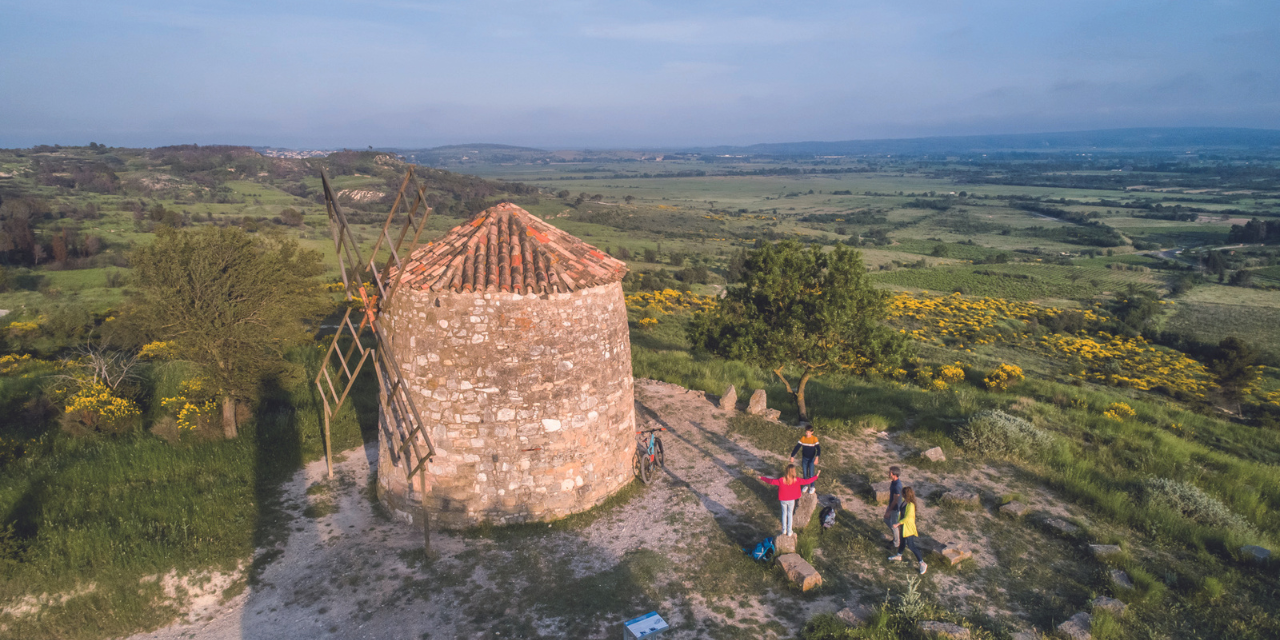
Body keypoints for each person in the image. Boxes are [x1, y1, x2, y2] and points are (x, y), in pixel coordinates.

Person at [759, 464, 820, 536]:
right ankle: (789, 531)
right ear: (794, 472)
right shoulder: (796, 480)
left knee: (784, 514)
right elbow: (807, 481)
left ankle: (784, 530)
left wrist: (762, 478)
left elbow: (771, 481)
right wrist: (816, 476)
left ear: (786, 471)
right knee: (790, 514)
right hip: (791, 500)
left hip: (783, 500)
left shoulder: (781, 480)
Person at [889, 487, 927, 575]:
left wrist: (898, 524)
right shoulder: (904, 502)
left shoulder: (910, 505)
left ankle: (922, 563)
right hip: (904, 527)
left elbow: (908, 517)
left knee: (911, 546)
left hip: (908, 528)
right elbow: (902, 514)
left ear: (905, 494)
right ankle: (899, 555)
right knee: (902, 542)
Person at [789, 425, 821, 494]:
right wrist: (792, 456)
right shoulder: (803, 438)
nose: (807, 434)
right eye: (806, 432)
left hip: (811, 459)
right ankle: (806, 485)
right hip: (804, 458)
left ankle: (812, 486)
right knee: (805, 473)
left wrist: (817, 457)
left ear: (812, 432)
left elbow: (818, 449)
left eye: (808, 432)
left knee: (811, 473)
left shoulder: (814, 439)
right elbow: (797, 447)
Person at [883, 466, 903, 549]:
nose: (888, 474)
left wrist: (888, 511)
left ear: (894, 474)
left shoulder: (897, 486)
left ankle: (896, 544)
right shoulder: (893, 482)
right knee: (887, 520)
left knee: (894, 525)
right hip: (892, 506)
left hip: (895, 508)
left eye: (890, 473)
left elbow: (895, 500)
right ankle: (896, 537)